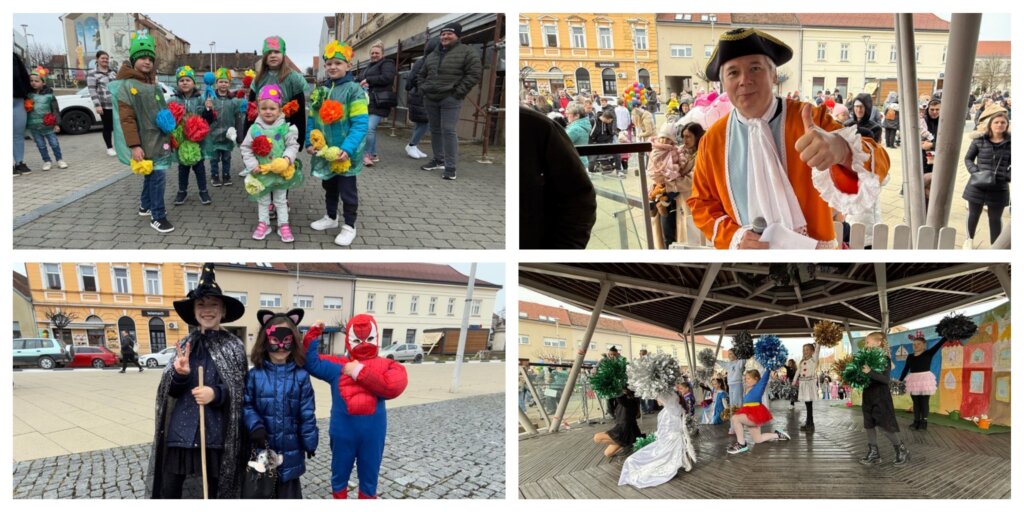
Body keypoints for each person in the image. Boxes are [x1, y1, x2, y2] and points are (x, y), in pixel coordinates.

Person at [688, 28, 889, 249]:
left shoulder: (811, 118)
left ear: (774, 75)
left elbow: (881, 162)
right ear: (723, 84)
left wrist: (843, 149)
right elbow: (700, 202)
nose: (744, 80)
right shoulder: (713, 139)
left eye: (755, 68)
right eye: (733, 73)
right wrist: (733, 237)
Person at [146, 263, 248, 498]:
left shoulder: (234, 346)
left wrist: (216, 394)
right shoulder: (184, 345)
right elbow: (169, 392)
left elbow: (241, 389)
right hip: (180, 434)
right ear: (194, 311)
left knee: (213, 492)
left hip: (215, 436)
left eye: (213, 304)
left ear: (222, 310)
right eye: (201, 304)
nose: (207, 310)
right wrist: (180, 375)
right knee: (171, 490)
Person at [302, 315, 408, 499]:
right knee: (339, 475)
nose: (364, 344)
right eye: (358, 340)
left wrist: (360, 372)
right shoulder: (338, 366)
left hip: (372, 435)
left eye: (368, 339)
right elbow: (312, 363)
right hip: (343, 433)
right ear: (349, 340)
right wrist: (312, 335)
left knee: (369, 477)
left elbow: (393, 387)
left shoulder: (387, 366)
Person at [243, 309, 319, 499]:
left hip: (291, 449)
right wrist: (255, 425)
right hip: (264, 447)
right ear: (265, 341)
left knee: (288, 495)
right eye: (275, 340)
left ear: (293, 341)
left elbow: (307, 412)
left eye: (286, 341)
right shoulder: (254, 376)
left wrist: (310, 441)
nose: (281, 347)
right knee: (264, 492)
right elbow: (246, 404)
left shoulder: (301, 377)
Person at [306, 40, 369, 247]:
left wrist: (347, 149)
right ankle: (331, 217)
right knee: (329, 185)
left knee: (347, 190)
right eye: (329, 63)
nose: (332, 67)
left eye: (338, 63)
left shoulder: (354, 91)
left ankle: (349, 225)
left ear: (348, 66)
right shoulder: (320, 91)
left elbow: (360, 124)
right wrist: (309, 141)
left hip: (345, 154)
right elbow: (312, 120)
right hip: (325, 152)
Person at [112, 30, 175, 233]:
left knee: (151, 174)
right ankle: (158, 216)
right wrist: (134, 145)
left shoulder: (153, 84)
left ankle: (145, 205)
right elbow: (127, 118)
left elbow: (160, 110)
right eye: (142, 58)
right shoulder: (128, 86)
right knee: (158, 177)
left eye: (150, 58)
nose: (147, 62)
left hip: (158, 137)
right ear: (133, 59)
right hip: (144, 140)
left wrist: (169, 128)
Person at [520, 106, 597, 249]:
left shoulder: (538, 126)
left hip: (544, 245)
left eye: (568, 114)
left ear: (575, 115)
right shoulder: (540, 125)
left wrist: (562, 254)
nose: (566, 116)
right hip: (582, 162)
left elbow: (580, 198)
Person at [416, 22, 482, 180]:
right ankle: (439, 160)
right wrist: (423, 89)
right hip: (431, 98)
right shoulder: (433, 55)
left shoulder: (467, 52)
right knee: (435, 130)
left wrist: (457, 93)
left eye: (449, 34)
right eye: (443, 34)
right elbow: (421, 74)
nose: (445, 37)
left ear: (457, 36)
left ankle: (450, 167)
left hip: (450, 98)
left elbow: (474, 74)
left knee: (448, 130)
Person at [240, 84, 302, 243]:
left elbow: (293, 145)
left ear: (280, 109)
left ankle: (283, 225)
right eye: (264, 108)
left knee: (281, 200)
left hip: (281, 173)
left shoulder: (284, 128)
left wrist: (287, 159)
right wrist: (252, 164)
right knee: (263, 200)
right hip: (261, 173)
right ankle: (264, 223)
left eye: (272, 108)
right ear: (259, 110)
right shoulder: (254, 129)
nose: (268, 111)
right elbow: (245, 148)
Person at [618, 384, 696, 488]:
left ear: (667, 398)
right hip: (665, 441)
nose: (656, 400)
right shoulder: (670, 410)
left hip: (668, 443)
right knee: (633, 459)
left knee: (634, 461)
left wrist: (658, 384)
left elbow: (670, 399)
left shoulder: (672, 409)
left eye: (658, 398)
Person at [248, 36, 307, 153]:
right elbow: (251, 110)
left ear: (283, 54)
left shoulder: (293, 78)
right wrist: (247, 134)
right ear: (264, 56)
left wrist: (299, 140)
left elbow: (299, 112)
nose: (273, 55)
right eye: (269, 52)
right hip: (261, 131)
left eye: (276, 52)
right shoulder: (258, 79)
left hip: (284, 132)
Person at [859, 332, 909, 465]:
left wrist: (869, 372)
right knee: (869, 425)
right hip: (868, 394)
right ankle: (874, 454)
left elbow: (885, 379)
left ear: (878, 343)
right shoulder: (866, 359)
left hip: (880, 396)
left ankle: (901, 449)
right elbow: (864, 376)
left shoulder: (885, 359)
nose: (866, 344)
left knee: (884, 427)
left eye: (868, 342)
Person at [963, 110, 1011, 246]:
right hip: (977, 185)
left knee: (995, 218)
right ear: (990, 125)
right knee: (973, 214)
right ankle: (968, 241)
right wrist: (975, 172)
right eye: (996, 122)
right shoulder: (979, 140)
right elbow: (968, 159)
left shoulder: (1012, 143)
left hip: (999, 187)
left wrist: (1007, 176)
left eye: (1003, 122)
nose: (999, 125)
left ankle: (995, 246)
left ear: (1007, 125)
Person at [170, 66, 214, 205]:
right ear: (177, 83)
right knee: (182, 169)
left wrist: (208, 109)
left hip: (197, 141)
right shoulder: (173, 100)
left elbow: (209, 120)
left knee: (199, 167)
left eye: (188, 80)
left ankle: (203, 191)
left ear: (194, 83)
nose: (184, 82)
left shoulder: (201, 99)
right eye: (181, 80)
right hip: (182, 141)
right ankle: (182, 192)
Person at [726, 368, 791, 454]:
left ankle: (741, 444)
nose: (746, 380)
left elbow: (764, 378)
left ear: (756, 379)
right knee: (758, 439)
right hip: (750, 414)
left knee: (735, 418)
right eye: (745, 379)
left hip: (754, 415)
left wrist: (768, 368)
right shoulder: (747, 389)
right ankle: (778, 435)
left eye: (748, 378)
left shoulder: (759, 387)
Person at [360, 40, 397, 167]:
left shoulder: (387, 63)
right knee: (371, 129)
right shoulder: (369, 66)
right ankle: (374, 154)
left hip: (380, 102)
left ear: (382, 53)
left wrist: (368, 80)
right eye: (372, 53)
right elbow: (360, 79)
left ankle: (367, 155)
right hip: (368, 102)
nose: (374, 55)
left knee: (369, 128)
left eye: (377, 53)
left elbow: (388, 78)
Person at [206, 68, 243, 187]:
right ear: (216, 83)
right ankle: (215, 176)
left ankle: (226, 175)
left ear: (229, 84)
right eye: (221, 81)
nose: (223, 84)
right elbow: (205, 115)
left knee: (227, 157)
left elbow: (238, 117)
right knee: (214, 158)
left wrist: (239, 135)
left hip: (228, 135)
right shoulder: (211, 98)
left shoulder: (234, 100)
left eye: (226, 82)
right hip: (213, 135)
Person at [898, 333, 944, 431]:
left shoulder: (929, 353)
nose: (915, 346)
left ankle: (924, 422)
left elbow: (940, 343)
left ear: (924, 345)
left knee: (924, 402)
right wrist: (900, 380)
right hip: (913, 381)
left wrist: (948, 334)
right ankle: (916, 421)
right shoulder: (910, 356)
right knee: (916, 402)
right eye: (914, 344)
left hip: (925, 380)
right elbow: (906, 369)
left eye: (918, 344)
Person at [403, 36, 439, 159]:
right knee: (424, 123)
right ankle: (411, 145)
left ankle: (413, 145)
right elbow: (411, 79)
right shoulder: (424, 62)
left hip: (420, 95)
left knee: (421, 124)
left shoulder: (425, 61)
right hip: (420, 96)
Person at [25, 66, 66, 171]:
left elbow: (55, 110)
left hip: (48, 125)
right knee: (41, 145)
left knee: (54, 143)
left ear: (43, 82)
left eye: (36, 81)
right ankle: (47, 161)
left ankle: (59, 159)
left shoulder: (49, 96)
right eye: (31, 81)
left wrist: (57, 123)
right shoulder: (28, 95)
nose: (33, 83)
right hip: (34, 126)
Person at [592, 388, 642, 457]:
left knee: (596, 437)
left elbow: (620, 397)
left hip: (625, 431)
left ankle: (628, 443)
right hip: (627, 429)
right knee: (608, 453)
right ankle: (626, 444)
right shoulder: (631, 400)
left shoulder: (627, 400)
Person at [87, 50, 119, 156]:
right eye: (102, 58)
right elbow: (92, 91)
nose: (105, 60)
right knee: (107, 127)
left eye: (106, 58)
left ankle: (120, 146)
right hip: (105, 105)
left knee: (118, 126)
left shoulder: (113, 72)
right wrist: (97, 105)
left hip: (116, 104)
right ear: (97, 59)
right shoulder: (92, 74)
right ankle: (109, 147)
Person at [13, 52, 33, 176]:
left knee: (18, 134)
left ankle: (19, 162)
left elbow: (23, 75)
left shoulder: (13, 56)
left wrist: (27, 92)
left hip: (17, 99)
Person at [794, 343, 820, 432]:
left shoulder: (813, 360)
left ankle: (810, 423)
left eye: (807, 349)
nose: (805, 351)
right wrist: (794, 381)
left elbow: (817, 350)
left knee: (809, 404)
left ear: (812, 351)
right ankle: (809, 422)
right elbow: (798, 371)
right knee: (807, 404)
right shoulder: (802, 361)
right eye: (804, 350)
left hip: (809, 383)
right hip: (803, 383)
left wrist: (819, 341)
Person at [564, 101, 591, 168]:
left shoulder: (575, 129)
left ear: (577, 116)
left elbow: (560, 143)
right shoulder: (583, 125)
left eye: (569, 113)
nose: (567, 116)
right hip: (581, 160)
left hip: (574, 162)